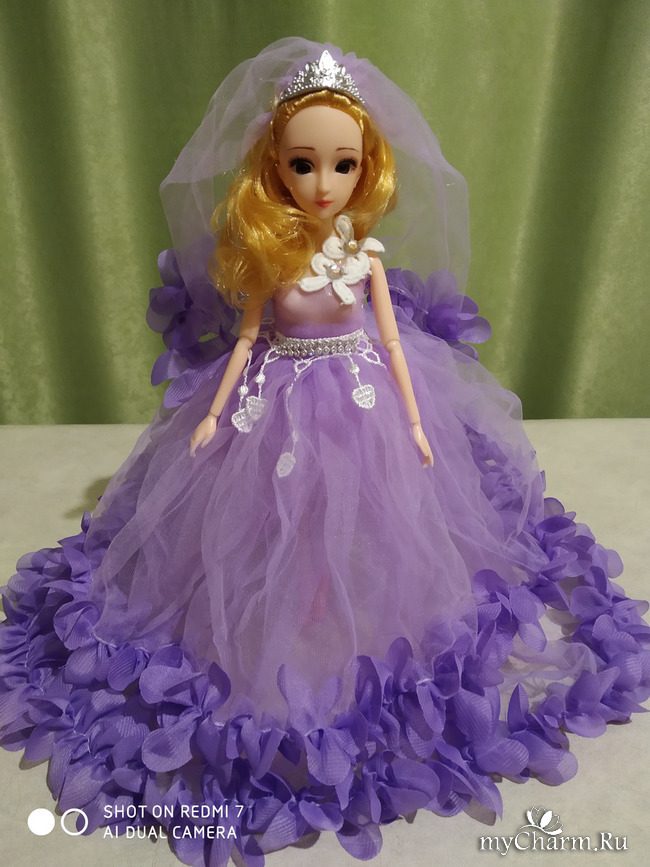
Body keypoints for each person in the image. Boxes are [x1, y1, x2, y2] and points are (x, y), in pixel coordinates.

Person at [0, 38, 648, 867]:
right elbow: (245, 339)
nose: (321, 182)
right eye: (302, 163)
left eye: (342, 165)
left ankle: (348, 598)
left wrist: (418, 423)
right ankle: (287, 602)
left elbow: (393, 339)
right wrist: (214, 413)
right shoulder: (270, 254)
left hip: (362, 397)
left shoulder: (365, 257)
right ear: (275, 166)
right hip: (275, 399)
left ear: (366, 169)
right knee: (274, 508)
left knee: (365, 504)